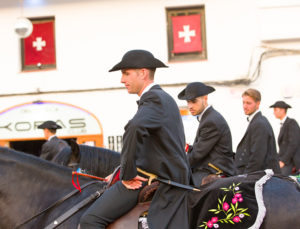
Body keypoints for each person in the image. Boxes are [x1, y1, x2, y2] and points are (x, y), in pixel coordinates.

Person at [80, 50, 191, 229]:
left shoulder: (154, 98)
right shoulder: (161, 98)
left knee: (89, 220)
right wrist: (118, 171)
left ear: (143, 73)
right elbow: (150, 145)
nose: (122, 80)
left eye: (126, 73)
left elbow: (135, 128)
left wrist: (128, 174)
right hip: (164, 174)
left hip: (156, 180)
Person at [178, 82, 235, 187]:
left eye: (194, 101)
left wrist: (176, 167)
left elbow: (197, 155)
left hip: (216, 172)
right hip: (208, 169)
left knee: (178, 186)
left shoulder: (211, 121)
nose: (190, 106)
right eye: (188, 102)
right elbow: (198, 150)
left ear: (205, 98)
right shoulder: (208, 117)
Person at [235, 89, 281, 175]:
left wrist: (245, 178)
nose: (245, 106)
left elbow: (257, 157)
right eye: (243, 102)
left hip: (262, 179)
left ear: (258, 104)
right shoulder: (257, 121)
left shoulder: (259, 123)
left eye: (248, 103)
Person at [270, 101, 300, 175]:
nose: (274, 113)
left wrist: (283, 161)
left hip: (291, 163)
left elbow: (293, 144)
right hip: (286, 161)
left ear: (282, 110)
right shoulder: (284, 124)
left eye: (275, 110)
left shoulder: (291, 123)